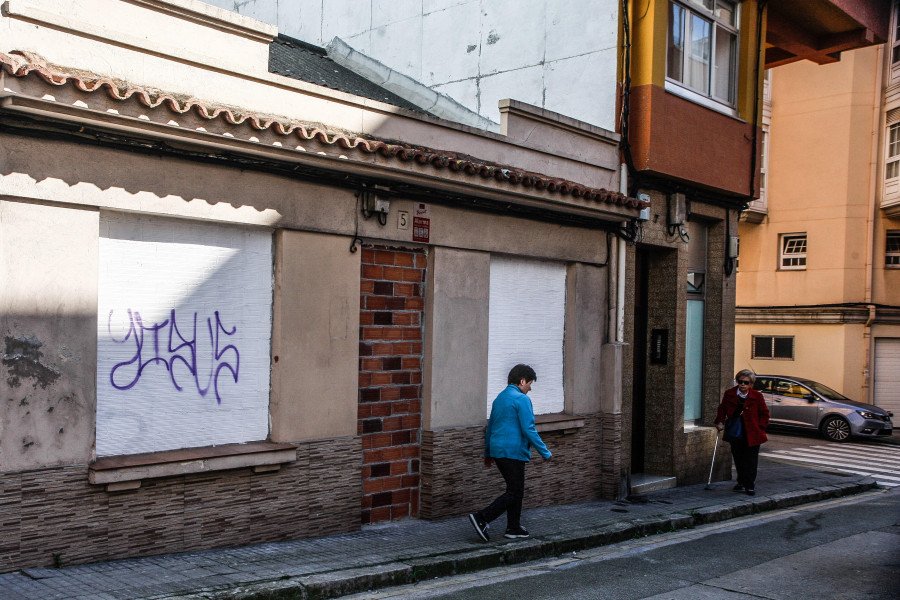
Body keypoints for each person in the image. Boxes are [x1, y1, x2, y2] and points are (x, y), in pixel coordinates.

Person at [468, 364, 552, 541]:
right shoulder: (522, 399)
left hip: (499, 452)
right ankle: (482, 518)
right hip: (513, 452)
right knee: (514, 492)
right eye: (529, 383)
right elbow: (529, 429)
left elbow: (490, 427)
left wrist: (488, 453)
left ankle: (513, 527)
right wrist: (545, 452)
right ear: (522, 381)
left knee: (515, 490)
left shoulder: (500, 398)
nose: (530, 388)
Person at [715, 369, 770, 496]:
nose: (743, 384)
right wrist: (720, 422)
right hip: (736, 432)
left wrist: (761, 427)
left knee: (750, 460)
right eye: (740, 381)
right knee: (739, 459)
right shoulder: (730, 394)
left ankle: (749, 485)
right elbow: (722, 409)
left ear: (751, 384)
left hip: (752, 433)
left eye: (746, 382)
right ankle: (741, 482)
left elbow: (764, 414)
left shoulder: (757, 396)